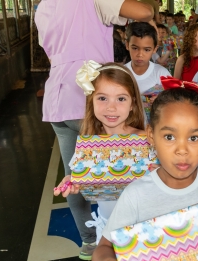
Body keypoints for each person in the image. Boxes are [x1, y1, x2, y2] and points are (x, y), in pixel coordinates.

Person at [34, 1, 153, 259]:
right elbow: (145, 12)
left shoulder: (43, 6)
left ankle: (90, 241)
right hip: (89, 97)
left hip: (58, 98)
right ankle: (125, 236)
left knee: (75, 174)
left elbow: (51, 50)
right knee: (122, 165)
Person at [92, 88, 198, 261]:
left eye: (193, 138)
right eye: (169, 137)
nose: (182, 150)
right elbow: (104, 247)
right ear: (151, 136)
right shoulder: (136, 195)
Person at [54, 61, 145, 244]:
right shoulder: (89, 145)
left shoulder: (147, 140)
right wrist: (75, 179)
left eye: (121, 99)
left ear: (133, 104)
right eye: (102, 98)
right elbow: (84, 177)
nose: (111, 107)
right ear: (91, 101)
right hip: (107, 229)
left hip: (143, 229)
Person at [124, 22, 171, 95]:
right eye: (135, 48)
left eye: (146, 50)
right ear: (127, 45)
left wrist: (160, 100)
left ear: (155, 49)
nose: (140, 55)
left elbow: (172, 100)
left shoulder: (162, 74)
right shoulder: (121, 73)